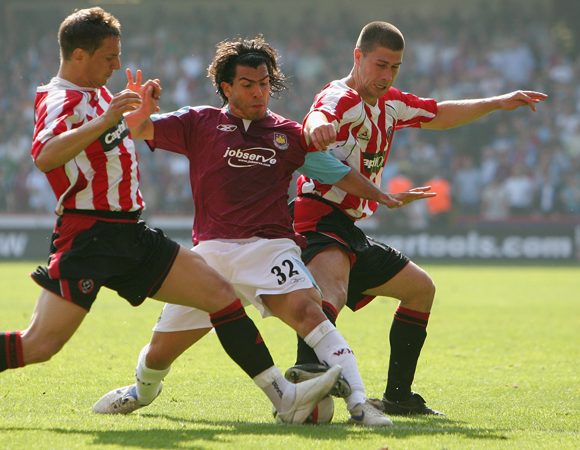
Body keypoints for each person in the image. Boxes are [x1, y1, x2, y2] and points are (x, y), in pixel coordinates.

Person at [0, 8, 344, 426]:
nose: (117, 65)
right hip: (88, 236)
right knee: (40, 345)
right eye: (109, 57)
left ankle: (284, 399)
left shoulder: (100, 93)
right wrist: (109, 119)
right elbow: (45, 155)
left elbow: (130, 132)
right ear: (79, 55)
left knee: (221, 296)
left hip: (131, 232)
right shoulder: (60, 99)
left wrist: (141, 114)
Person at [93, 36, 432, 426]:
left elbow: (338, 173)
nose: (259, 92)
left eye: (265, 83)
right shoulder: (198, 122)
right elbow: (140, 129)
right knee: (158, 354)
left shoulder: (288, 136)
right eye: (248, 85)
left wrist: (382, 196)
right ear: (226, 88)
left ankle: (359, 403)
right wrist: (141, 109)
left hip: (270, 248)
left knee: (310, 312)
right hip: (210, 256)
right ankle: (142, 392)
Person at [287, 21, 546, 416]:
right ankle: (307, 372)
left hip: (347, 225)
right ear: (358, 58)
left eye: (395, 66)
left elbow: (439, 113)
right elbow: (317, 116)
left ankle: (398, 398)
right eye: (380, 64)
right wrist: (318, 126)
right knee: (332, 292)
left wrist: (496, 101)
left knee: (421, 288)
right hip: (318, 215)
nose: (386, 74)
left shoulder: (390, 102)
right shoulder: (341, 96)